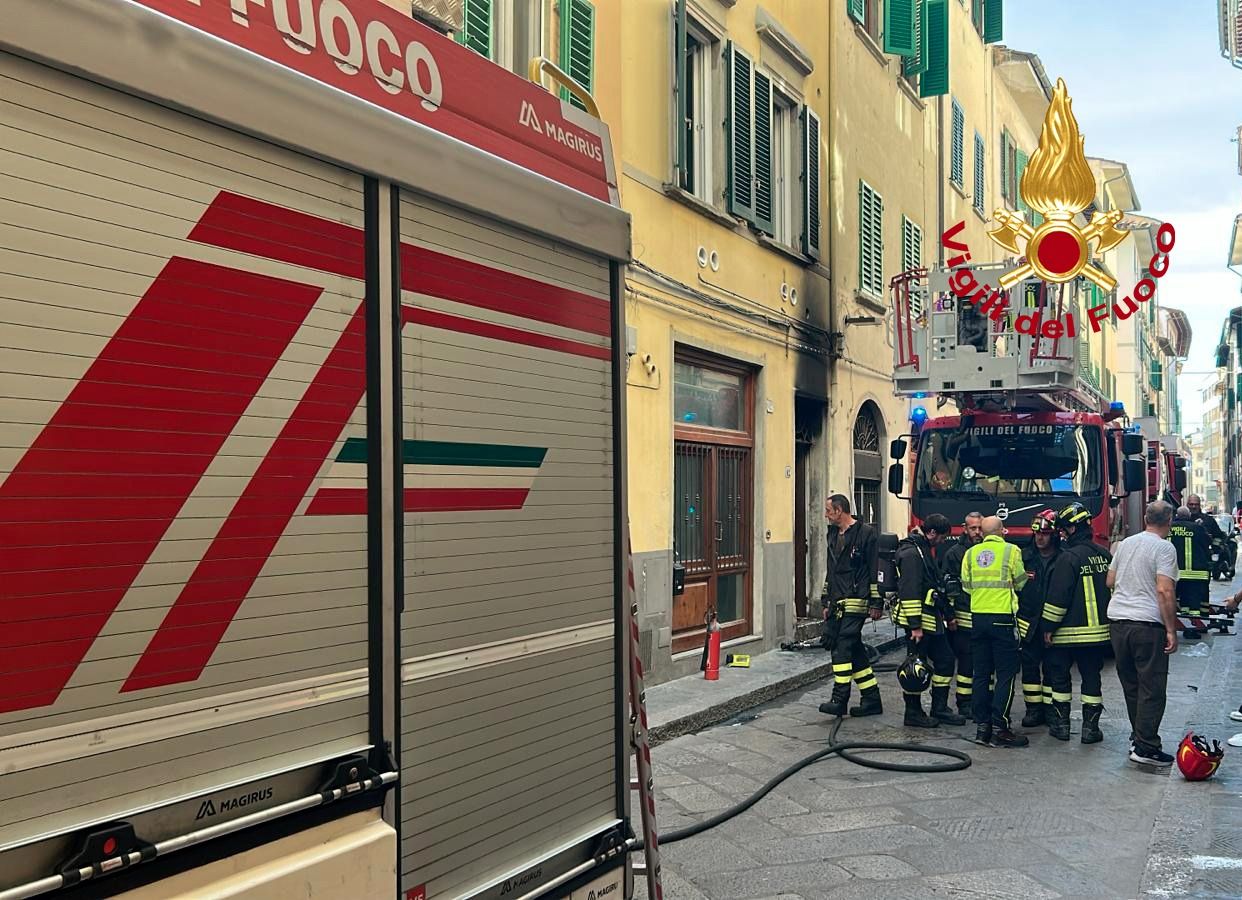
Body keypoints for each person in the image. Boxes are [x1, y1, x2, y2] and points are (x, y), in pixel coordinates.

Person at [1107, 500, 1180, 767]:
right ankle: (1147, 746)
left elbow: (1110, 580)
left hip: (1118, 623)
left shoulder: (1125, 544)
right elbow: (1164, 590)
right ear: (1169, 521)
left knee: (1132, 685)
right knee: (1152, 687)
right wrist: (1171, 629)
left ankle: (1137, 736)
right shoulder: (1164, 548)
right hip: (1147, 625)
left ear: (1146, 519)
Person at [1043, 503, 1113, 745]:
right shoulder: (1104, 555)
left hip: (1067, 634)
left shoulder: (1068, 558)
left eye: (1063, 530)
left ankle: (1061, 726)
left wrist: (1048, 627)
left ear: (1073, 529)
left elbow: (1058, 598)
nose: (1061, 535)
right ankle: (1090, 729)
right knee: (1092, 679)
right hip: (1098, 635)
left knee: (1060, 679)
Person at [961, 516, 1029, 748]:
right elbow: (1021, 582)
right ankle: (1001, 727)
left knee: (981, 674)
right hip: (1002, 620)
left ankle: (982, 728)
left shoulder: (970, 554)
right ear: (1002, 531)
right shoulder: (1012, 551)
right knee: (1006, 674)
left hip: (978, 618)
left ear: (982, 532)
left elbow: (966, 586)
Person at [818, 495, 883, 718]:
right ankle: (871, 699)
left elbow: (874, 568)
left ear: (839, 510)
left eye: (828, 510)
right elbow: (831, 570)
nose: (826, 515)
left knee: (842, 646)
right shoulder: (832, 534)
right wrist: (826, 599)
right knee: (855, 651)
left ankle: (839, 699)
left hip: (857, 598)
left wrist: (876, 601)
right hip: (837, 600)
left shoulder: (866, 534)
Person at [895, 514, 963, 728]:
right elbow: (910, 591)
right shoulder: (912, 554)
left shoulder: (922, 549)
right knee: (914, 668)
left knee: (945, 661)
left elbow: (934, 586)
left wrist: (948, 615)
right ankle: (913, 713)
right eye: (942, 537)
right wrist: (915, 626)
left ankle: (939, 708)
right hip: (919, 625)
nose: (942, 542)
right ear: (932, 532)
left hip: (930, 621)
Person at [1017, 510, 1060, 728]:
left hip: (1054, 625)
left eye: (1045, 534)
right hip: (1028, 623)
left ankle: (1051, 710)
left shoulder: (1063, 558)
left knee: (1053, 669)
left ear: (1054, 535)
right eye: (1037, 534)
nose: (1040, 538)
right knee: (1030, 669)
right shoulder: (1024, 557)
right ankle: (1033, 710)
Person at [938, 512, 984, 716]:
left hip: (984, 617)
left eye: (980, 528)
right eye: (973, 528)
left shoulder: (988, 552)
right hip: (963, 617)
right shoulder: (955, 553)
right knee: (966, 663)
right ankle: (964, 703)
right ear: (965, 529)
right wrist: (950, 616)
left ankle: (982, 701)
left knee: (984, 664)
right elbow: (948, 588)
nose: (977, 532)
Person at [1168, 506, 1211, 639]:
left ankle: (1172, 627)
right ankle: (1192, 629)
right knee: (1193, 604)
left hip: (1174, 574)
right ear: (1189, 516)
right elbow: (1207, 543)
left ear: (1176, 515)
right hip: (1195, 574)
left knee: (1179, 602)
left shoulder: (1169, 528)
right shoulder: (1197, 528)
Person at [1188, 494, 1228, 578]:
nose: (1194, 507)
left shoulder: (1208, 520)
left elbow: (1218, 535)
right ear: (1187, 505)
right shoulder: (1182, 520)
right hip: (1186, 557)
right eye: (1191, 504)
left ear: (1200, 505)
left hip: (1204, 556)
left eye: (1196, 504)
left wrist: (1215, 547)